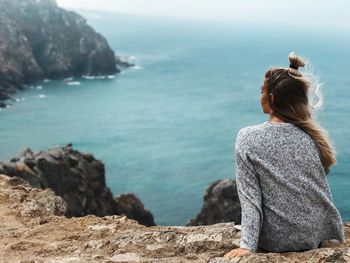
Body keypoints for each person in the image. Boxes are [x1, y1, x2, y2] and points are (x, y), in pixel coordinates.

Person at [224, 52, 345, 258]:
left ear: (271, 98)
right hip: (314, 235)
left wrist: (247, 245)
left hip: (277, 241)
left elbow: (250, 198)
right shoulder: (313, 138)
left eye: (262, 92)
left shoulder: (247, 138)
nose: (260, 96)